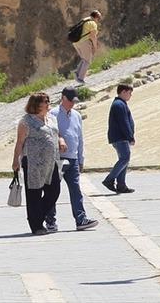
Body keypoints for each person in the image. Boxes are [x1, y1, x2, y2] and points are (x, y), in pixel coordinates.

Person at [12, 92, 65, 235]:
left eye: (48, 101)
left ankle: (37, 216)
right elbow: (20, 142)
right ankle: (36, 226)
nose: (48, 103)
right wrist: (15, 160)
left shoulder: (52, 118)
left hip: (51, 161)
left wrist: (61, 140)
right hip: (33, 163)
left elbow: (57, 134)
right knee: (34, 194)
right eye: (45, 101)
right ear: (36, 104)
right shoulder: (26, 122)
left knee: (54, 191)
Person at [50, 88, 98, 231]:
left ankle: (81, 219)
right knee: (53, 191)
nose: (72, 104)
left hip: (73, 159)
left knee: (76, 190)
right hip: (57, 159)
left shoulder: (77, 115)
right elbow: (50, 134)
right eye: (70, 101)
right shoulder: (53, 114)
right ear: (63, 97)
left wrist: (81, 158)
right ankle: (50, 220)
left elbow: (80, 138)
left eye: (74, 101)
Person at [103, 83, 136, 194]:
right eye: (129, 93)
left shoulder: (121, 104)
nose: (130, 95)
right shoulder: (119, 104)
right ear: (123, 92)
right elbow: (124, 122)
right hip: (120, 137)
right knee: (125, 158)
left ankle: (121, 185)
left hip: (121, 137)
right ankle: (109, 180)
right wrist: (130, 136)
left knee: (124, 160)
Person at [72, 10, 102, 83]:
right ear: (96, 17)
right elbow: (93, 36)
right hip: (84, 42)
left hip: (76, 42)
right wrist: (95, 46)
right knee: (87, 61)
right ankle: (80, 78)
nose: (99, 20)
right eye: (99, 18)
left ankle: (77, 73)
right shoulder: (92, 23)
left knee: (84, 59)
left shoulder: (84, 20)